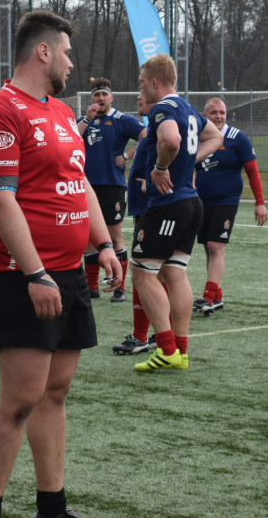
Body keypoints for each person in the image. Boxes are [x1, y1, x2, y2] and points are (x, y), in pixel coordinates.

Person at [0, 10, 122, 518]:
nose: (72, 62)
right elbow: (1, 201)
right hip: (17, 277)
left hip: (70, 273)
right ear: (43, 52)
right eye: (67, 52)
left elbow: (80, 188)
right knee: (20, 399)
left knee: (55, 392)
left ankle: (51, 509)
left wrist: (103, 245)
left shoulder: (59, 112)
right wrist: (34, 274)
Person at [130, 53, 222, 372]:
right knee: (175, 272)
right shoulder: (190, 110)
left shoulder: (163, 109)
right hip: (192, 202)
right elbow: (216, 136)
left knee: (143, 273)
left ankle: (167, 348)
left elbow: (170, 139)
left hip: (168, 202)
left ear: (155, 82)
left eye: (143, 83)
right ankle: (180, 351)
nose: (141, 87)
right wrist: (189, 160)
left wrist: (160, 168)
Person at [192, 97, 268, 315]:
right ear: (204, 116)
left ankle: (208, 297)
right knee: (208, 248)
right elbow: (193, 168)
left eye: (222, 112)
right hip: (201, 202)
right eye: (213, 112)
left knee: (216, 248)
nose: (218, 116)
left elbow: (253, 172)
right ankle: (217, 296)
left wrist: (260, 203)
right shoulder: (198, 138)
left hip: (226, 202)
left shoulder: (237, 138)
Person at [76, 77, 144, 302]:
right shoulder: (84, 120)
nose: (100, 98)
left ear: (111, 97)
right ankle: (92, 287)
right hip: (86, 187)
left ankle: (120, 287)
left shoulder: (122, 120)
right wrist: (87, 118)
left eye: (104, 94)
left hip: (112, 186)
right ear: (91, 98)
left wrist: (126, 156)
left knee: (114, 237)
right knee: (88, 238)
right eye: (97, 95)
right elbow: (71, 138)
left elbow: (148, 135)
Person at [112, 93, 158, 355]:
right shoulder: (155, 126)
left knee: (144, 274)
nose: (139, 96)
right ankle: (162, 337)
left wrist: (153, 180)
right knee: (163, 274)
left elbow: (174, 149)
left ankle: (144, 337)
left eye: (144, 89)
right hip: (148, 207)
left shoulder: (164, 121)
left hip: (153, 207)